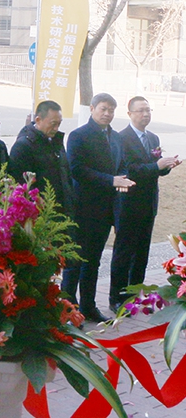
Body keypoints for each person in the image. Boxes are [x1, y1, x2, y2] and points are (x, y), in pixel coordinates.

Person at [64, 93, 135, 323]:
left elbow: (121, 165)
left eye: (111, 110)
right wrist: (111, 180)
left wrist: (122, 180)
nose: (107, 114)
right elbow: (76, 170)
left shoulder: (115, 137)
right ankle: (68, 312)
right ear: (92, 108)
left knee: (93, 261)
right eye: (103, 109)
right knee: (74, 262)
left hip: (106, 210)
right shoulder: (78, 135)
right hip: (82, 208)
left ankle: (88, 306)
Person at [110, 96, 181, 312]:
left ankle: (135, 295)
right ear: (130, 113)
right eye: (140, 110)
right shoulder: (121, 138)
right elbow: (127, 170)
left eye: (148, 110)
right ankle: (117, 298)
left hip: (148, 204)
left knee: (141, 254)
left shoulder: (153, 137)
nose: (145, 114)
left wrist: (167, 166)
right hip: (128, 204)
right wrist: (156, 166)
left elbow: (155, 168)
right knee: (124, 253)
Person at [9, 101, 73, 213]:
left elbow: (65, 173)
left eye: (59, 123)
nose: (56, 128)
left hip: (63, 208)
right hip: (41, 213)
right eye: (53, 124)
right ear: (38, 120)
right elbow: (18, 184)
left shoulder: (56, 140)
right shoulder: (23, 146)